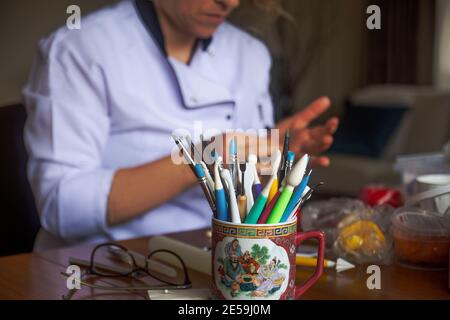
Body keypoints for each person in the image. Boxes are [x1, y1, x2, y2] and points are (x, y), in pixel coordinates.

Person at [23, 0, 339, 250]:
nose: (229, 2)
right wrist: (203, 158)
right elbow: (61, 206)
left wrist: (269, 156)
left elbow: (245, 195)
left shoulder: (250, 54)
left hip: (214, 257)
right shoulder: (79, 49)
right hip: (103, 263)